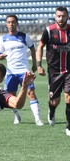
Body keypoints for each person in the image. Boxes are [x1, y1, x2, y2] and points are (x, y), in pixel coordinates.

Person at [0, 14, 43, 126]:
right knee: (11, 96)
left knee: (31, 93)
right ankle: (17, 116)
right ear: (6, 24)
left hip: (24, 71)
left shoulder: (24, 36)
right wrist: (0, 56)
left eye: (13, 22)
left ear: (17, 23)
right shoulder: (3, 39)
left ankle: (38, 119)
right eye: (9, 22)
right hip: (11, 72)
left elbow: (32, 48)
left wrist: (35, 64)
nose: (11, 24)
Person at [36, 6, 70, 136]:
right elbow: (40, 46)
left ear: (67, 17)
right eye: (59, 16)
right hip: (54, 72)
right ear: (55, 16)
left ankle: (69, 126)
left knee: (68, 98)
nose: (61, 18)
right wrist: (39, 65)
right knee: (55, 101)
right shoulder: (49, 31)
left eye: (64, 16)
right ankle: (52, 111)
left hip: (69, 70)